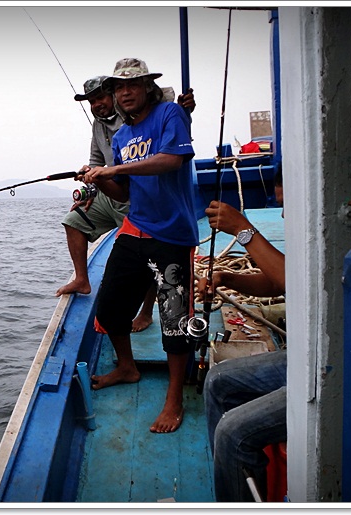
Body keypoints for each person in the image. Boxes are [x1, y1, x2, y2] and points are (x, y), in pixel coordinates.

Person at [80, 58, 198, 434]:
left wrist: (114, 169)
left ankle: (174, 399)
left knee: (175, 321)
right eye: (118, 88)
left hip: (172, 234)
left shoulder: (170, 115)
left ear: (148, 87)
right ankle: (127, 367)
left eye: (132, 85)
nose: (125, 93)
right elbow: (124, 191)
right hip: (135, 228)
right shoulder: (120, 137)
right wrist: (98, 180)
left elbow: (170, 160)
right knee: (110, 308)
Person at [58, 75, 195, 334]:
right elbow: (96, 162)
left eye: (100, 97)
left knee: (150, 259)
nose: (97, 104)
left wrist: (187, 108)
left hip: (140, 201)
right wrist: (89, 188)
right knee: (73, 221)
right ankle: (81, 280)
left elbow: (171, 126)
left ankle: (145, 313)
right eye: (91, 101)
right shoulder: (99, 127)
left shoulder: (140, 114)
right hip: (113, 191)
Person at [198, 168, 286, 502]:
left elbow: (288, 281)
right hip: (305, 356)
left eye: (287, 204)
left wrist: (243, 231)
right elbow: (278, 280)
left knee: (234, 432)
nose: (283, 213)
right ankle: (230, 484)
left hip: (331, 370)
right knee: (218, 381)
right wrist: (227, 278)